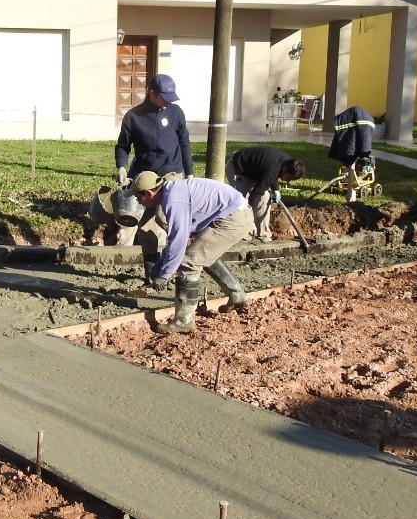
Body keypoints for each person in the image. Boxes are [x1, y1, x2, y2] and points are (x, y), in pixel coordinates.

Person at [129, 171, 253, 334]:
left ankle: (183, 320)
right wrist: (162, 263)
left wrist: (165, 275)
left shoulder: (174, 200)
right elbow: (175, 241)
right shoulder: (171, 192)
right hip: (232, 213)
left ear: (148, 193)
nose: (138, 202)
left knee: (189, 261)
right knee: (201, 254)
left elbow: (179, 242)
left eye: (139, 198)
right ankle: (238, 296)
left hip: (233, 218)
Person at [113, 73, 193, 246]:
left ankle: (168, 254)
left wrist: (190, 171)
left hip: (170, 172)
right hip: (143, 173)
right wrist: (121, 167)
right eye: (164, 98)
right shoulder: (133, 117)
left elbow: (184, 142)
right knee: (129, 218)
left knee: (163, 217)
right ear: (151, 93)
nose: (167, 103)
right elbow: (122, 146)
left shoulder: (176, 112)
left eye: (170, 99)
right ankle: (122, 257)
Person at [224, 145, 305, 241]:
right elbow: (255, 196)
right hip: (238, 169)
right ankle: (244, 236)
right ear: (285, 169)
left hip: (254, 172)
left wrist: (275, 189)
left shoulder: (287, 163)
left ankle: (263, 235)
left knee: (265, 198)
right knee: (242, 203)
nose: (288, 181)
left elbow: (272, 175)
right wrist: (251, 221)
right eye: (288, 177)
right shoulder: (273, 169)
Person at [328, 105, 375, 202]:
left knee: (353, 156)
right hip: (359, 124)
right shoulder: (362, 119)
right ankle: (350, 190)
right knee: (351, 156)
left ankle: (351, 190)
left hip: (359, 124)